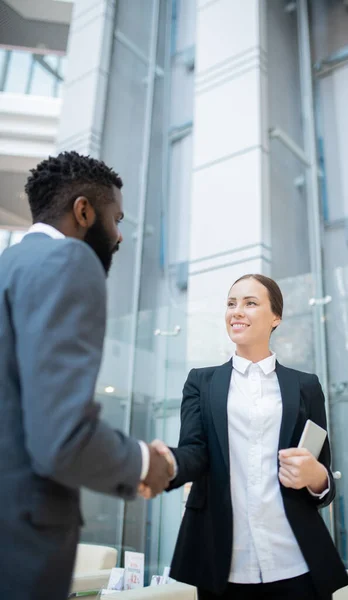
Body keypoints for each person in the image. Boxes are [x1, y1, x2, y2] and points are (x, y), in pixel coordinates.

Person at [0, 151, 172, 600]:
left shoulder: (7, 268)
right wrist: (144, 463)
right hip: (20, 552)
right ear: (83, 211)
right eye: (116, 219)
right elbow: (61, 441)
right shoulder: (70, 261)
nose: (117, 236)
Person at [151, 274, 348, 599]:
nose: (236, 311)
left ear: (276, 317)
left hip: (296, 561)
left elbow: (321, 476)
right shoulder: (200, 383)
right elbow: (194, 453)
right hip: (224, 563)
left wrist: (317, 477)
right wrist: (165, 463)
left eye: (250, 303)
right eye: (231, 304)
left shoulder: (306, 387)